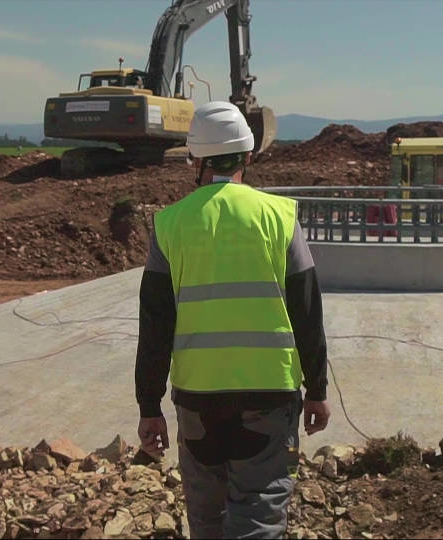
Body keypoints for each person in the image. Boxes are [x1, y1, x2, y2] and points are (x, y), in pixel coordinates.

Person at [135, 101, 330, 539]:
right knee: (257, 515)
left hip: (197, 398)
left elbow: (154, 326)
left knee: (206, 516)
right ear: (247, 155)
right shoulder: (280, 217)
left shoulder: (169, 225)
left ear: (194, 159)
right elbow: (307, 309)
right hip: (269, 394)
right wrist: (316, 389)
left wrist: (149, 406)